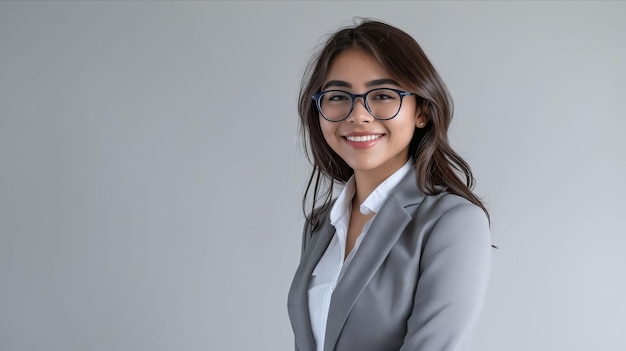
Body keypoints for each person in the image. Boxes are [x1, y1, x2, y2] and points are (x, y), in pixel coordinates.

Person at [287, 19, 493, 351]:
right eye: (338, 96)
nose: (358, 115)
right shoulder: (319, 224)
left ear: (422, 111)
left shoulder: (453, 221)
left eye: (382, 95)